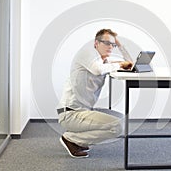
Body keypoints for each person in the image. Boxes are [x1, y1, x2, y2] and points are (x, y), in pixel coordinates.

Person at [57, 29, 133, 158]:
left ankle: (78, 139)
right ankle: (72, 139)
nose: (110, 47)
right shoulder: (86, 54)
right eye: (106, 43)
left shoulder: (104, 62)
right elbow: (97, 70)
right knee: (117, 126)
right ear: (96, 43)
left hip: (83, 111)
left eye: (112, 45)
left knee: (122, 120)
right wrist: (120, 64)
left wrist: (120, 46)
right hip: (70, 113)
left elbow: (130, 65)